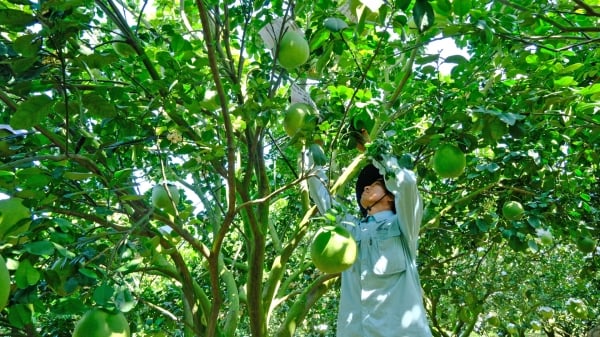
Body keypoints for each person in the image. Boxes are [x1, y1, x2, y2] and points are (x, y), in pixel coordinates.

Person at [307, 152, 432, 337]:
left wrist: (376, 151)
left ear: (391, 195)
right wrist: (311, 147)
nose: (366, 187)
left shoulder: (403, 225)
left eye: (375, 184)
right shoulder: (350, 230)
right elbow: (320, 193)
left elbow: (407, 184)